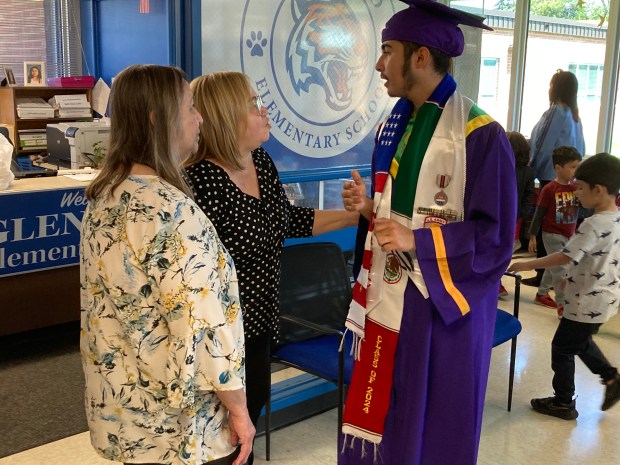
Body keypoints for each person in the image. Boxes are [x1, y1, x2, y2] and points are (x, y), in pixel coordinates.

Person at [339, 1, 516, 464]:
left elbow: (495, 239)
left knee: (432, 423)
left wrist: (417, 240)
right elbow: (396, 217)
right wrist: (368, 209)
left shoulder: (481, 135)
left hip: (440, 307)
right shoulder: (393, 127)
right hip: (390, 294)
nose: (379, 64)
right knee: (387, 414)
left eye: (387, 51)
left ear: (420, 57)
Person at [80, 64, 254, 465]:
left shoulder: (105, 195)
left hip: (123, 411)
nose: (200, 119)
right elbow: (204, 326)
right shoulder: (171, 210)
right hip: (182, 429)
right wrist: (240, 410)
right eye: (191, 107)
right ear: (160, 119)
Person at [184, 71, 359, 464]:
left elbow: (286, 221)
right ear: (226, 115)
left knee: (251, 415)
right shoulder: (201, 181)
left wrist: (353, 216)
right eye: (252, 104)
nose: (264, 111)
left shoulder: (260, 161)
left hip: (261, 323)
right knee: (219, 435)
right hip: (219, 336)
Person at [508, 152, 620, 420]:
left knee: (563, 348)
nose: (576, 193)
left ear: (599, 190)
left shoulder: (592, 224)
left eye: (580, 188)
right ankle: (611, 378)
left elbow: (565, 255)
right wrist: (571, 277)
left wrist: (525, 265)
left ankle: (563, 402)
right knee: (578, 342)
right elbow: (597, 258)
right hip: (605, 297)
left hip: (587, 301)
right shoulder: (616, 219)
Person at [525, 69, 585, 287]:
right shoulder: (574, 114)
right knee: (559, 225)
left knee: (546, 225)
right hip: (568, 177)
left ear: (556, 88)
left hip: (552, 175)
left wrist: (531, 167)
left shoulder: (556, 112)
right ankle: (547, 276)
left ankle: (542, 274)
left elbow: (542, 144)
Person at [526, 146, 581, 315]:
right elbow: (539, 213)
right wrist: (533, 236)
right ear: (558, 168)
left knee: (552, 266)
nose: (575, 170)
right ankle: (563, 305)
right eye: (572, 167)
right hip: (552, 234)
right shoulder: (549, 189)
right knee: (561, 271)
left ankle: (542, 294)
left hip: (569, 234)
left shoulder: (575, 188)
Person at [500, 131, 535, 297]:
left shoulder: (525, 172)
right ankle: (497, 281)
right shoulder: (525, 171)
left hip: (510, 217)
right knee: (504, 249)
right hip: (512, 217)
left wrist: (521, 212)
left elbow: (529, 196)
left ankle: (497, 280)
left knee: (503, 249)